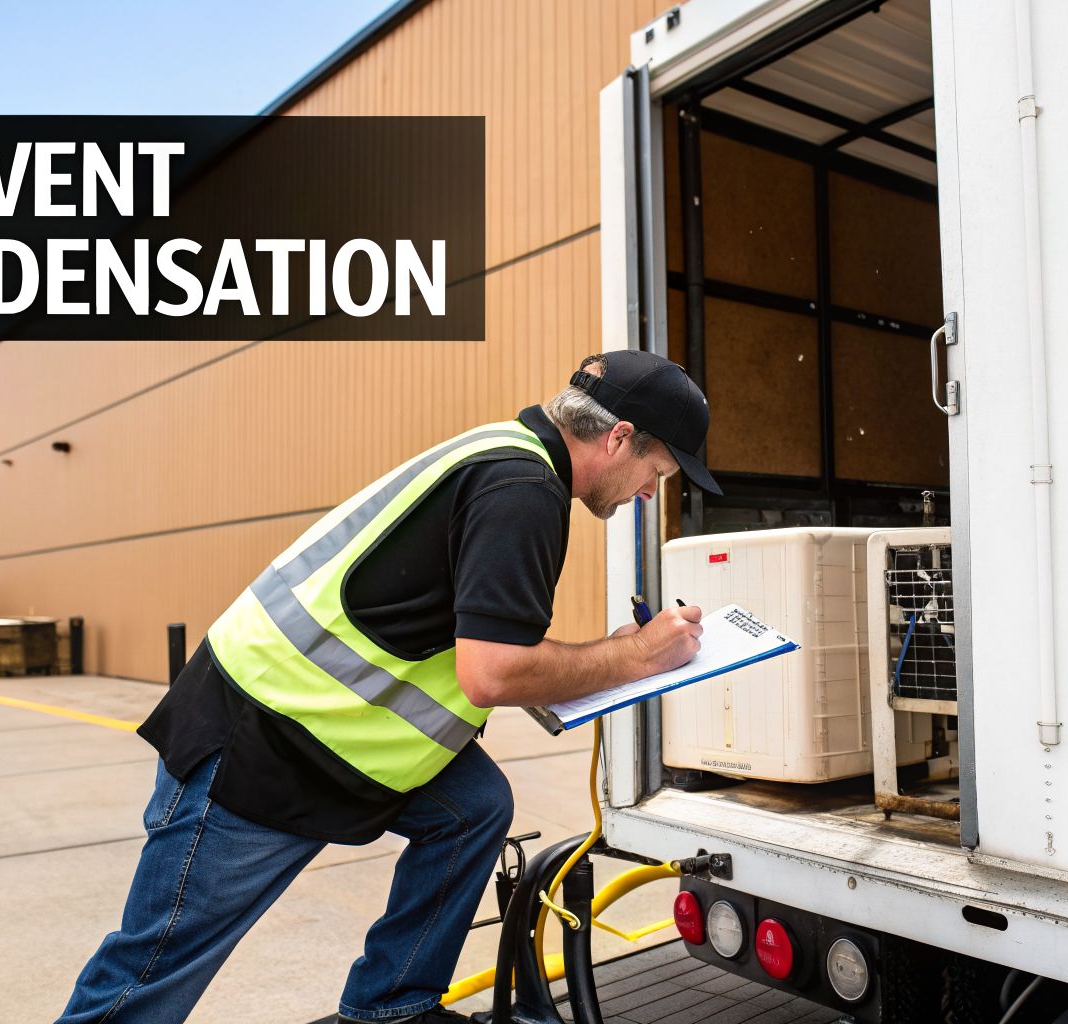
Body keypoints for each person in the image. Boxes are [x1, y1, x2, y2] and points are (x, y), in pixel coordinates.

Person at [58, 351, 722, 1023]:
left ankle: (391, 1006)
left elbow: (472, 645)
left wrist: (610, 655)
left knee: (474, 807)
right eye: (657, 472)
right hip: (259, 743)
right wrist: (636, 655)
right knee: (146, 977)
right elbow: (493, 672)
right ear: (617, 438)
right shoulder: (523, 490)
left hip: (322, 732)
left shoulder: (506, 454)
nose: (648, 492)